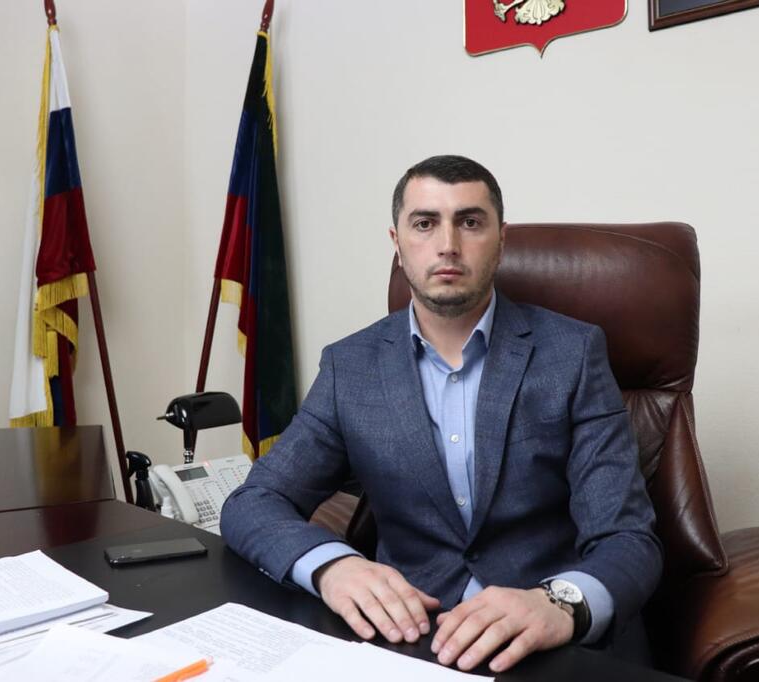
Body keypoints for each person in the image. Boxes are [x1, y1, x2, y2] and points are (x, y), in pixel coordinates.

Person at [220, 155, 662, 673]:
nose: (448, 244)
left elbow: (628, 538)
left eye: (470, 222)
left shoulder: (573, 354)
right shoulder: (350, 368)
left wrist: (559, 603)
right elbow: (255, 502)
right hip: (410, 643)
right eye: (425, 223)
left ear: (501, 240)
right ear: (397, 243)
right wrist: (333, 567)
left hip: (548, 645)